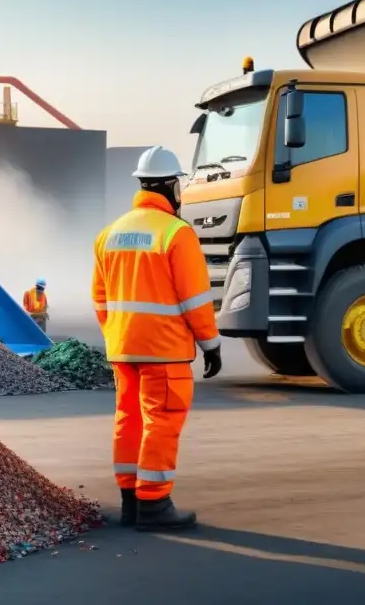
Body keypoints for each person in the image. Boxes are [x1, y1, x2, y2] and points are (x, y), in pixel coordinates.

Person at [92, 145, 223, 532]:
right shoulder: (176, 234)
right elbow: (195, 299)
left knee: (128, 420)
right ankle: (154, 505)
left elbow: (100, 299)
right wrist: (210, 344)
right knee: (161, 420)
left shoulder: (109, 234)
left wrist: (119, 335)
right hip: (164, 351)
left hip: (123, 348)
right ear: (170, 186)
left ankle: (130, 501)